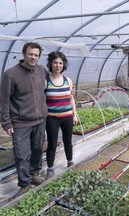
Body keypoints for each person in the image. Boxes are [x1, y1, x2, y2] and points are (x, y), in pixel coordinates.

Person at [0, 42, 48, 199]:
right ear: (24, 54)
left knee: (37, 149)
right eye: (30, 54)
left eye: (36, 55)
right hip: (20, 122)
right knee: (22, 154)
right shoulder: (11, 74)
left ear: (39, 56)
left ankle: (34, 174)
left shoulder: (42, 71)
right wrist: (6, 122)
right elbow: (4, 100)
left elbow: (44, 91)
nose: (33, 57)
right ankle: (24, 184)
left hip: (40, 120)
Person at [45, 51, 78, 179]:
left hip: (67, 117)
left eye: (60, 63)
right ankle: (50, 168)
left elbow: (71, 98)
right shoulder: (46, 81)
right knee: (52, 143)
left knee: (68, 141)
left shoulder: (67, 80)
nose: (58, 65)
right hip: (52, 118)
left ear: (63, 65)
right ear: (51, 64)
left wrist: (74, 115)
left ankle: (70, 162)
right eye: (55, 62)